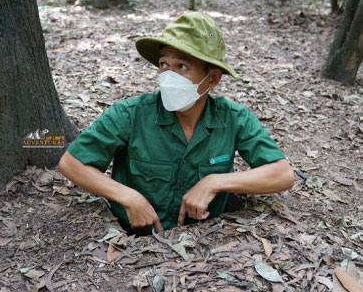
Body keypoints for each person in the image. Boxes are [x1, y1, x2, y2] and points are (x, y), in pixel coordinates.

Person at [58, 12, 294, 236]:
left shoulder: (233, 118)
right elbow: (72, 163)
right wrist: (126, 196)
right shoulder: (131, 114)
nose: (169, 77)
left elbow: (282, 174)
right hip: (131, 248)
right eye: (163, 65)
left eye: (182, 67)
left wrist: (215, 182)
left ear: (212, 78)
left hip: (204, 243)